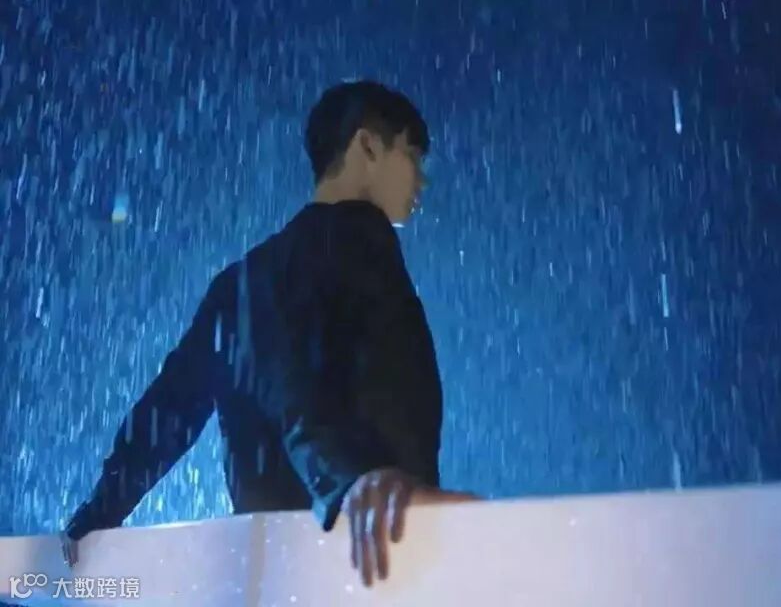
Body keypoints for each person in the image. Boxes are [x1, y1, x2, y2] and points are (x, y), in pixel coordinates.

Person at [60, 80, 478, 587]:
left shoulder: (240, 283)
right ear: (368, 146)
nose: (422, 179)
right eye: (412, 155)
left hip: (272, 571)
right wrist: (358, 479)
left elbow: (166, 414)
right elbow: (297, 380)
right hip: (369, 552)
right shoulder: (357, 245)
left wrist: (99, 512)